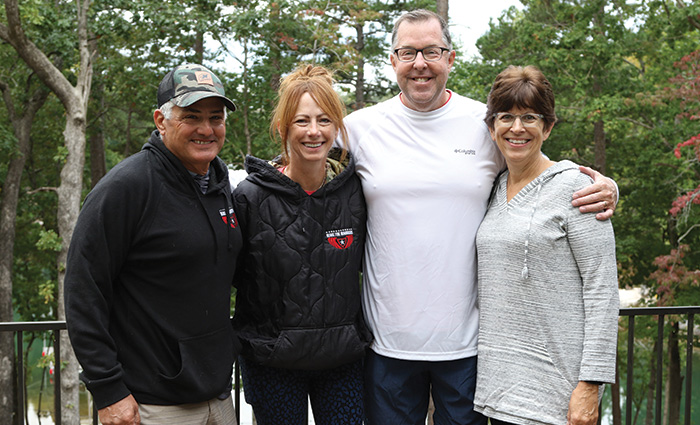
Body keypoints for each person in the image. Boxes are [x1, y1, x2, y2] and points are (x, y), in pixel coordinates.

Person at [341, 9, 619, 425]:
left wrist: (607, 186)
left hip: (471, 350)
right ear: (393, 60)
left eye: (432, 51)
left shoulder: (483, 123)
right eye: (408, 52)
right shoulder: (357, 129)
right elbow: (303, 175)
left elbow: (535, 165)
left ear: (450, 59)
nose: (420, 63)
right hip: (386, 346)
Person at [64, 63, 241, 425]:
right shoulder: (128, 187)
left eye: (216, 118)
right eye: (192, 117)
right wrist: (108, 389)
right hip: (151, 403)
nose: (206, 129)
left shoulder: (221, 184)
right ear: (161, 120)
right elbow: (84, 289)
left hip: (218, 395)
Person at [474, 65, 619, 425]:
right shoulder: (492, 188)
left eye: (530, 117)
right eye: (506, 117)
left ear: (548, 126)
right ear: (492, 128)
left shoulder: (576, 189)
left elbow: (603, 290)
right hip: (500, 391)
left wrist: (591, 384)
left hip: (558, 398)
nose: (517, 128)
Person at [231, 64, 371, 425]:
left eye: (324, 120)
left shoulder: (355, 193)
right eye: (301, 121)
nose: (314, 132)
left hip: (342, 361)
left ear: (337, 127)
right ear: (282, 128)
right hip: (273, 362)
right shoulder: (249, 197)